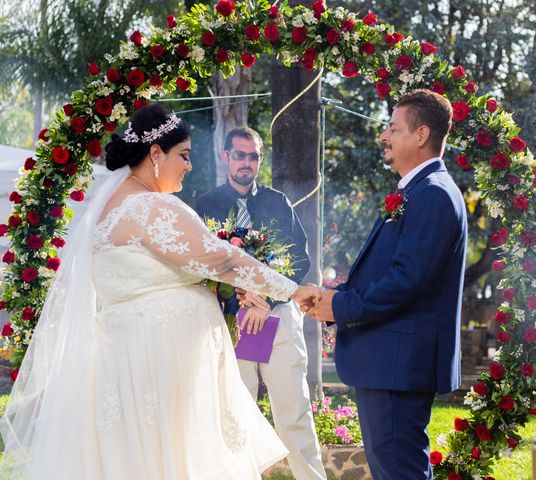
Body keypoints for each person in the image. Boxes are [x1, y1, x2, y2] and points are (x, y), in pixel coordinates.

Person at [0, 104, 321, 479]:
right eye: (183, 156)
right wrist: (295, 292)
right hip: (159, 365)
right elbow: (220, 259)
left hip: (131, 359)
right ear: (155, 154)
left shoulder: (110, 206)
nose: (188, 166)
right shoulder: (151, 206)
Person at [307, 89, 468, 480]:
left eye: (394, 128)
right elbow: (395, 273)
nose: (384, 135)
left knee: (400, 472)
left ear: (421, 134)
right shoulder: (417, 190)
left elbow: (407, 281)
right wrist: (336, 298)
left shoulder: (433, 195)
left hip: (399, 365)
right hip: (390, 363)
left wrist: (341, 307)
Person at [195, 127, 326, 480]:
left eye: (253, 156)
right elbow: (200, 262)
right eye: (239, 155)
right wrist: (239, 299)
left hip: (277, 319)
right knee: (233, 419)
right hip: (230, 324)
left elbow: (299, 259)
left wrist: (263, 299)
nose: (247, 163)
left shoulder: (277, 202)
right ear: (225, 157)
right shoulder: (204, 205)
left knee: (295, 415)